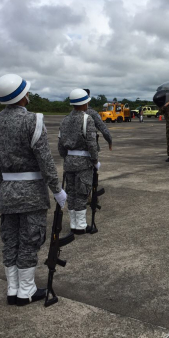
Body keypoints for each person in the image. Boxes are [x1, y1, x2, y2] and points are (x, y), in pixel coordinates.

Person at [0, 73, 67, 306]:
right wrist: (56, 189)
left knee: (10, 239)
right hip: (32, 192)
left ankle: (12, 289)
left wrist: (3, 183)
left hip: (8, 191)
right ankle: (26, 291)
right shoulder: (33, 120)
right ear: (23, 96)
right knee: (29, 240)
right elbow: (44, 160)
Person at [58, 88, 99, 234]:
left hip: (69, 162)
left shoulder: (65, 120)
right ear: (84, 103)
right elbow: (92, 143)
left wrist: (67, 157)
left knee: (71, 192)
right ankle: (81, 226)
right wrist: (95, 160)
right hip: (83, 163)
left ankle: (73, 224)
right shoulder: (87, 119)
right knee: (82, 193)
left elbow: (60, 144)